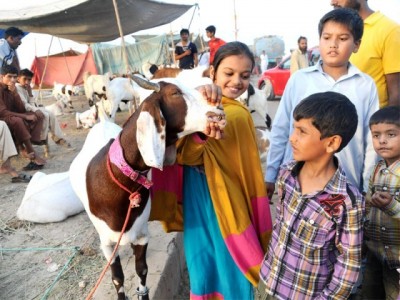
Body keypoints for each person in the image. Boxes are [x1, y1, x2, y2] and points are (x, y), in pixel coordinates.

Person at [151, 41, 272, 299]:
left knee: (231, 257)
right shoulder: (195, 104)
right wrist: (202, 134)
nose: (236, 81)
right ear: (213, 72)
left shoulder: (240, 115)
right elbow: (182, 156)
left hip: (231, 198)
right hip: (199, 193)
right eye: (229, 73)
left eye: (244, 75)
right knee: (202, 257)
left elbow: (246, 168)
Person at [257, 92, 365, 299]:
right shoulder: (287, 174)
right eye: (294, 128)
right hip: (267, 283)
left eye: (302, 131)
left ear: (332, 143)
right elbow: (280, 229)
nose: (292, 138)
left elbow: (348, 266)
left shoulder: (347, 201)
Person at [265, 8, 379, 202]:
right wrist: (270, 174)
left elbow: (371, 141)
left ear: (356, 44)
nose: (333, 45)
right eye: (326, 37)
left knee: (342, 232)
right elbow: (281, 128)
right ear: (319, 41)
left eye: (342, 38)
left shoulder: (365, 85)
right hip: (297, 182)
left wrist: (367, 186)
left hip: (346, 185)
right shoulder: (300, 80)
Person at [331, 0, 400, 108]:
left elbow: (396, 93)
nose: (333, 2)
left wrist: (387, 124)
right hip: (339, 119)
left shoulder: (390, 30)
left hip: (371, 121)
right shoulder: (335, 29)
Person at [362, 106, 400, 299]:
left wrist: (392, 206)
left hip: (397, 257)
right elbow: (368, 206)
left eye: (391, 134)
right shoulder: (376, 169)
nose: (382, 141)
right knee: (369, 293)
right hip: (375, 252)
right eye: (376, 135)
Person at [0, 65, 46, 170]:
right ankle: (30, 151)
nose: (12, 80)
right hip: (2, 118)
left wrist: (15, 93)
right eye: (9, 77)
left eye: (14, 77)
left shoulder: (12, 88)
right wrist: (24, 116)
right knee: (18, 120)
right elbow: (3, 112)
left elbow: (20, 108)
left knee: (37, 116)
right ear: (1, 76)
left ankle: (26, 146)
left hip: (10, 115)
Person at [16, 69, 71, 150]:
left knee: (51, 114)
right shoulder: (17, 88)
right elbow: (25, 105)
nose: (27, 82)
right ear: (18, 79)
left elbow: (31, 104)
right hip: (22, 111)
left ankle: (58, 138)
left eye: (29, 80)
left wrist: (30, 93)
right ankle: (42, 139)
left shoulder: (26, 88)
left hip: (29, 109)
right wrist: (36, 110)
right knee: (44, 115)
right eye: (25, 79)